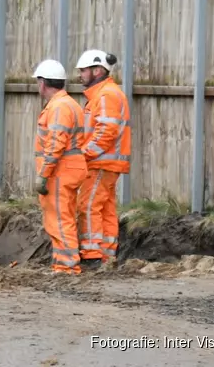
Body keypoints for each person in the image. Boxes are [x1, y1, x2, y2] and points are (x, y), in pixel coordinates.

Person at [75, 49, 131, 270]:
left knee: (87, 206)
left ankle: (92, 255)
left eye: (83, 70)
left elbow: (106, 131)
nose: (80, 75)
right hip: (106, 163)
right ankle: (107, 256)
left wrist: (83, 154)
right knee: (104, 208)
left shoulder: (106, 95)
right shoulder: (102, 94)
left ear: (97, 70)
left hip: (100, 163)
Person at [32, 59, 87, 275]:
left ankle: (66, 266)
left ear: (43, 83)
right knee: (63, 217)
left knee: (59, 219)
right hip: (69, 169)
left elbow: (55, 144)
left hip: (60, 172)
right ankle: (62, 263)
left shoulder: (58, 107)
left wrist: (43, 175)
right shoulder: (69, 104)